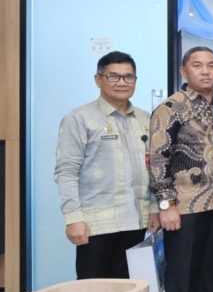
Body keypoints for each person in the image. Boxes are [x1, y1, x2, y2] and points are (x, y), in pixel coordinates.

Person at [149, 46, 213, 292]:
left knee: (211, 264)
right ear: (184, 71)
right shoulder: (171, 107)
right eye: (197, 65)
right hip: (185, 203)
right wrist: (166, 205)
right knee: (183, 268)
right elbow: (158, 159)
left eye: (211, 65)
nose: (205, 71)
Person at [54, 50, 158, 279]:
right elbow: (67, 171)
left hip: (136, 222)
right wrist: (73, 218)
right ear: (98, 79)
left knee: (129, 290)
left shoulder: (145, 119)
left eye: (128, 77)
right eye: (113, 76)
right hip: (96, 225)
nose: (122, 82)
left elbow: (152, 169)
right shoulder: (79, 118)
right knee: (93, 291)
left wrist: (153, 209)